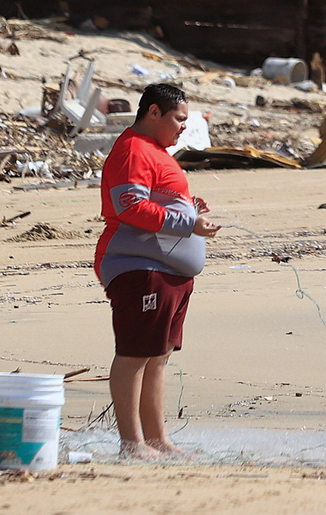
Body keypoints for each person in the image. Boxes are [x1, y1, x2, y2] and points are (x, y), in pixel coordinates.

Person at [95, 81, 219, 457]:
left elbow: (156, 199)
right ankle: (132, 443)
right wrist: (188, 224)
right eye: (179, 119)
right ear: (153, 112)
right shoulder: (134, 148)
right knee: (135, 353)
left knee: (157, 356)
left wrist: (189, 208)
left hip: (168, 270)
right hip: (138, 266)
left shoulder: (157, 151)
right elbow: (130, 206)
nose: (184, 126)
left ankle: (157, 440)